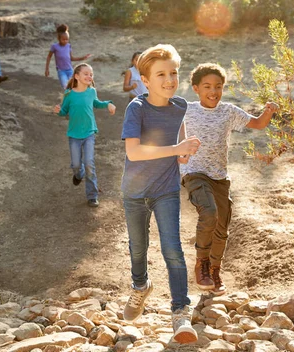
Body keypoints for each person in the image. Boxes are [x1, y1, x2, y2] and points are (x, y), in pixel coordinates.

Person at [120, 44, 201, 344]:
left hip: (166, 189)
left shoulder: (179, 106)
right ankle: (140, 287)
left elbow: (177, 132)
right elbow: (135, 151)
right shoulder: (136, 108)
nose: (169, 80)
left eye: (173, 73)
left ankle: (181, 311)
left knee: (172, 249)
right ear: (145, 79)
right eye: (161, 74)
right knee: (138, 249)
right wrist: (176, 149)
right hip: (135, 193)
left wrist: (182, 153)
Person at [180, 63, 279, 294]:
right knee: (209, 212)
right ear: (196, 88)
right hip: (194, 172)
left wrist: (268, 111)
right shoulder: (187, 109)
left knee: (222, 227)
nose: (213, 91)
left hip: (219, 176)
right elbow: (166, 122)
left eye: (218, 86)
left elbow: (257, 123)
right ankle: (201, 263)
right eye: (207, 86)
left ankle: (215, 270)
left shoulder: (228, 111)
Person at [54, 63, 116, 208]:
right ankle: (78, 174)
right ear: (77, 76)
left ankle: (92, 196)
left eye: (91, 74)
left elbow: (98, 104)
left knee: (89, 163)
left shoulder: (91, 91)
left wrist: (108, 104)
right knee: (77, 165)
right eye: (86, 73)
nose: (89, 76)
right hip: (74, 135)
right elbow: (64, 112)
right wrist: (58, 111)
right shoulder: (69, 94)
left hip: (89, 133)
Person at [45, 24, 92, 90]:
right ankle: (67, 99)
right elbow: (49, 57)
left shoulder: (68, 46)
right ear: (59, 38)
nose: (65, 41)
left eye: (67, 39)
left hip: (70, 70)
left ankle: (74, 99)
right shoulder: (55, 46)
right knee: (65, 86)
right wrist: (47, 69)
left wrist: (82, 58)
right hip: (61, 71)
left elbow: (71, 58)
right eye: (63, 39)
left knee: (74, 85)